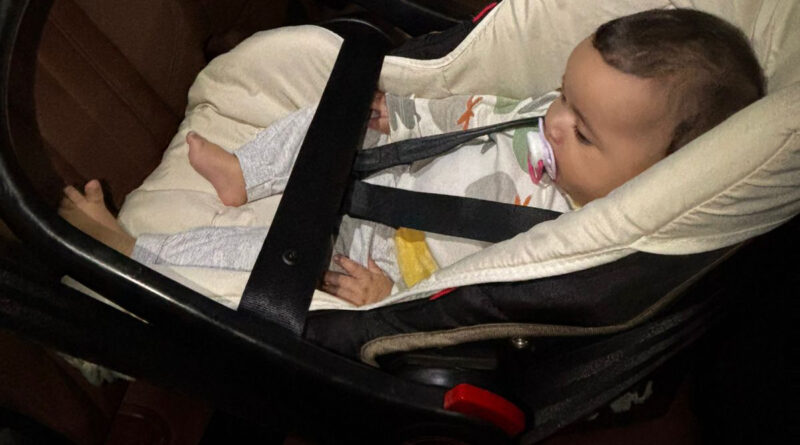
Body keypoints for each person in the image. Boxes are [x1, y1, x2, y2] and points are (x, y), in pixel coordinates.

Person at [59, 8, 765, 307]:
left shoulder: (566, 238)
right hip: (391, 157)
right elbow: (472, 113)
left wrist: (387, 297)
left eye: (583, 133)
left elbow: (473, 289)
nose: (553, 121)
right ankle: (247, 172)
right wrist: (399, 113)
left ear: (653, 178)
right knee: (326, 116)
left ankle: (132, 255)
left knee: (252, 259)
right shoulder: (553, 117)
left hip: (369, 257)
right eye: (563, 95)